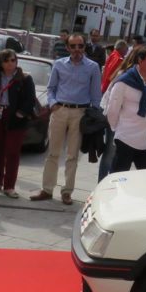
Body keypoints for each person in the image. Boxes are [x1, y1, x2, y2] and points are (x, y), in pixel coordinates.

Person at [31, 33, 102, 205]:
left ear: (84, 47)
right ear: (68, 47)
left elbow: (96, 95)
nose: (77, 50)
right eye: (73, 46)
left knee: (72, 155)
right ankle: (47, 189)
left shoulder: (93, 67)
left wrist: (93, 115)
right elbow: (51, 89)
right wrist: (53, 103)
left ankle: (67, 191)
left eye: (80, 46)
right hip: (60, 111)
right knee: (53, 153)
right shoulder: (59, 65)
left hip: (80, 113)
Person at [0, 50, 36, 198]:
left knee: (12, 152)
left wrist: (20, 113)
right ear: (1, 63)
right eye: (6, 61)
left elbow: (30, 100)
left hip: (15, 117)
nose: (10, 63)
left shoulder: (24, 78)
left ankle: (9, 186)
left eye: (13, 60)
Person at [105, 46, 146, 172]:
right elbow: (112, 111)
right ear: (140, 61)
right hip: (126, 139)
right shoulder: (124, 82)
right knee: (118, 179)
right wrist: (119, 129)